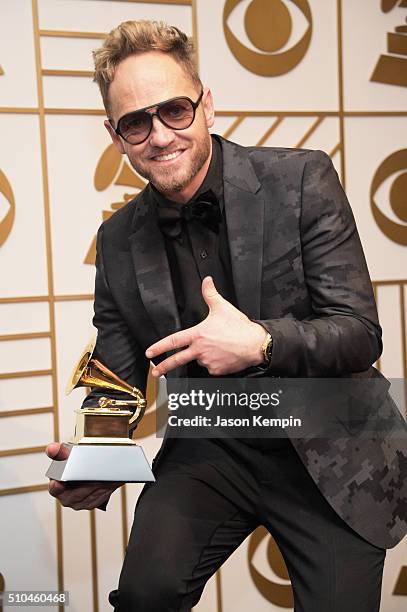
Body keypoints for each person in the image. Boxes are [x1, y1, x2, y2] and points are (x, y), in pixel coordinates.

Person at [46, 20, 407, 612]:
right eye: (137, 122)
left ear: (206, 104)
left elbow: (360, 333)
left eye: (175, 111)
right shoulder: (116, 240)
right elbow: (115, 370)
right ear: (116, 136)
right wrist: (98, 458)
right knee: (144, 596)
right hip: (211, 443)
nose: (160, 136)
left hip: (333, 442)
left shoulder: (301, 179)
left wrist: (261, 343)